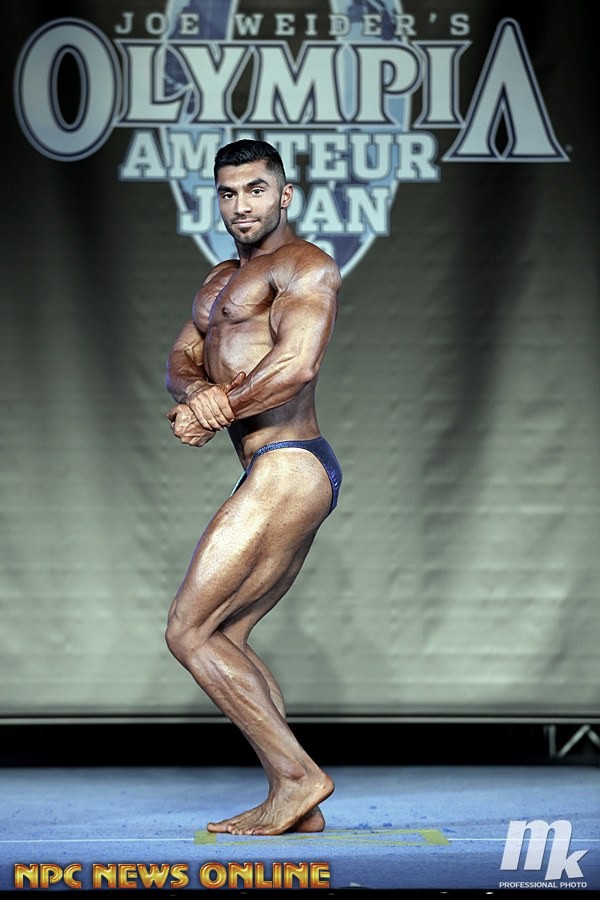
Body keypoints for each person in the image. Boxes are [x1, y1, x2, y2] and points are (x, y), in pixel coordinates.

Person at [164, 139, 342, 836]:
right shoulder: (218, 281)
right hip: (270, 466)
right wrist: (197, 392)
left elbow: (296, 364)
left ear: (285, 195)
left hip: (290, 461)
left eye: (256, 189)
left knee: (189, 631)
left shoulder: (305, 265)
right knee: (226, 632)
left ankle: (298, 778)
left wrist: (218, 409)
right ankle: (299, 802)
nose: (241, 205)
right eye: (229, 192)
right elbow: (180, 358)